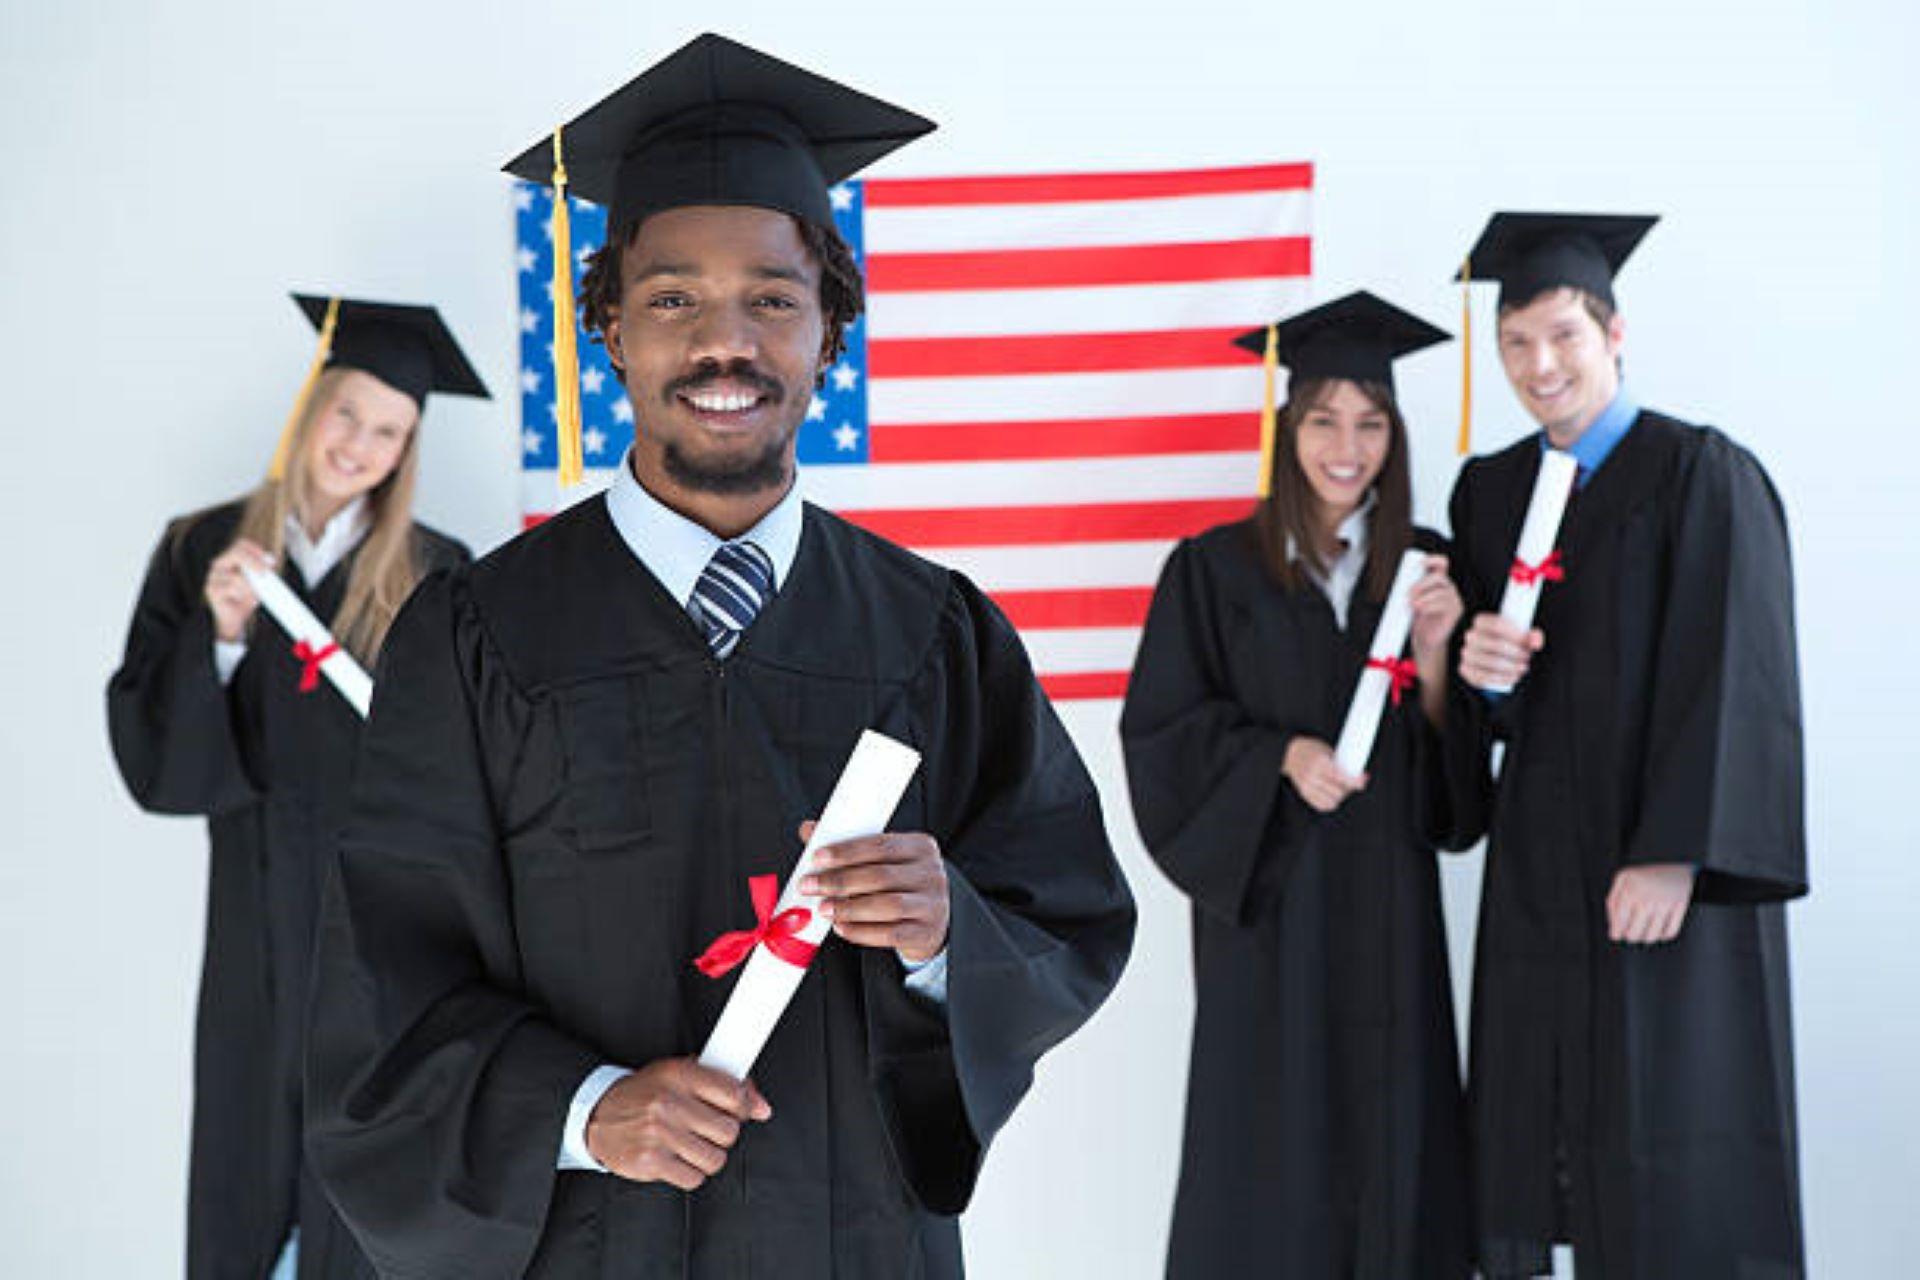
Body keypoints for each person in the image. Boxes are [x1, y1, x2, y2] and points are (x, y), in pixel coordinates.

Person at [303, 33, 1135, 1279]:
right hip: (591, 1250)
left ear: (828, 333)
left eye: (773, 298)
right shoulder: (478, 631)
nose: (723, 342)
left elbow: (1064, 914)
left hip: (857, 1247)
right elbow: (383, 991)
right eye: (673, 298)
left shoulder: (934, 628)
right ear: (611, 332)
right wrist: (581, 1109)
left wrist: (945, 930)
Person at [1448, 212, 1807, 1278]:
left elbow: (1739, 673)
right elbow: (1490, 721)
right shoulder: (1492, 491)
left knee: (1670, 1147)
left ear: (1615, 334)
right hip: (1539, 875)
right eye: (1515, 342)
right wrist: (1477, 674)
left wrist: (1672, 851)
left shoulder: (1700, 472)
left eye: (1561, 334)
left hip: (1659, 874)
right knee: (1537, 1132)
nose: (1538, 364)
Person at [107, 296, 488, 1279]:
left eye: (389, 430)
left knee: (365, 1165)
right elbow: (160, 765)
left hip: (380, 933)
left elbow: (467, 768)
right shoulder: (204, 549)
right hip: (251, 916)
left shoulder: (435, 575)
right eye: (349, 412)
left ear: (408, 449)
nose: (360, 443)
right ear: (310, 405)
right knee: (243, 1146)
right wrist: (223, 634)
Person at [1122, 292, 1480, 1279]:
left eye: (1370, 421)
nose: (1346, 445)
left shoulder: (1427, 567)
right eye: (1323, 417)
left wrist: (1441, 651)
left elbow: (1461, 793)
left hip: (1391, 913)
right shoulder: (1208, 570)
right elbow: (1161, 733)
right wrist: (1278, 755)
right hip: (1269, 914)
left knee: (1396, 1129)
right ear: (1287, 427)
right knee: (1267, 1149)